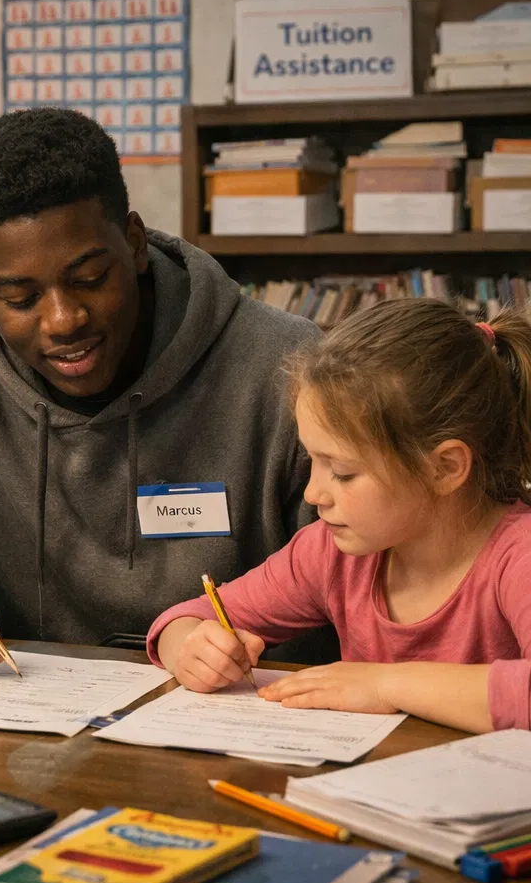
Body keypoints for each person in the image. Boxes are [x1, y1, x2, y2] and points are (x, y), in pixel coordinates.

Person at [0, 107, 321, 671]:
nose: (64, 320)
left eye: (90, 279)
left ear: (135, 242)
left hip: (246, 705)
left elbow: (367, 572)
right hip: (37, 711)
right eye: (20, 298)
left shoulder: (288, 368)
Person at [149, 299, 531, 734]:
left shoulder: (519, 556)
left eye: (344, 473)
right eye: (311, 459)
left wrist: (385, 685)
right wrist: (190, 647)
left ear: (443, 468)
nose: (313, 494)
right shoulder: (331, 553)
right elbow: (190, 616)